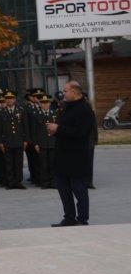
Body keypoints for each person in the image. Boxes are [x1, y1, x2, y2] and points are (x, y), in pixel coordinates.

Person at [48, 81, 94, 227]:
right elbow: (65, 128)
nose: (63, 93)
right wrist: (55, 130)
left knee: (79, 190)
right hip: (62, 157)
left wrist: (58, 129)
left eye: (66, 91)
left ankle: (82, 219)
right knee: (64, 190)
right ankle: (69, 217)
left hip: (76, 158)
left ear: (74, 92)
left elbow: (81, 133)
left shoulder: (84, 109)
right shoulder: (66, 107)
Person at [0, 90, 28, 189]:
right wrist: (0, 142)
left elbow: (25, 126)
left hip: (18, 140)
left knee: (18, 162)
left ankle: (18, 182)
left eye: (11, 99)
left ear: (14, 99)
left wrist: (26, 140)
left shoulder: (21, 110)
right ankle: (10, 182)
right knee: (8, 163)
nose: (9, 101)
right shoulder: (1, 112)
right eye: (7, 99)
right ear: (5, 100)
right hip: (7, 142)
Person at [29, 95, 57, 189]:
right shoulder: (36, 114)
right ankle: (44, 183)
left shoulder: (55, 113)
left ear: (49, 103)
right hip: (42, 143)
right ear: (40, 104)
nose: (45, 105)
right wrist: (36, 143)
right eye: (43, 103)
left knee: (53, 163)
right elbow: (33, 130)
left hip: (53, 142)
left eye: (47, 103)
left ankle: (53, 182)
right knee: (43, 164)